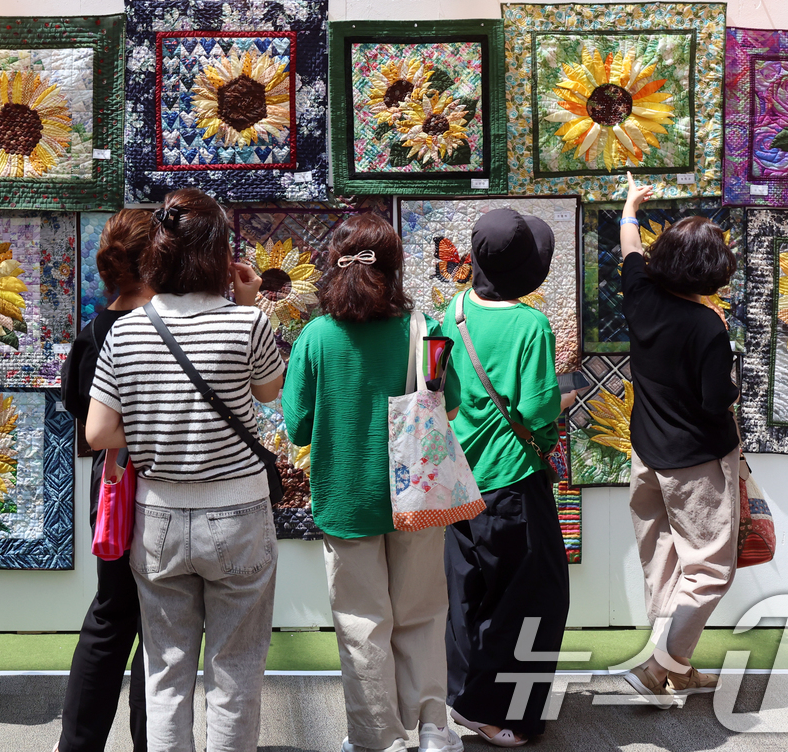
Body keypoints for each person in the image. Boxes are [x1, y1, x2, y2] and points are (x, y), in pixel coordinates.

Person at [85, 188, 284, 752]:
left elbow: (98, 433)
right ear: (220, 255)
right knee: (234, 671)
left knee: (165, 672)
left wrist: (155, 424)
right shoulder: (248, 326)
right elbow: (270, 392)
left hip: (161, 517)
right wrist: (248, 305)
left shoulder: (124, 331)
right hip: (239, 512)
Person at [280, 214, 464, 752]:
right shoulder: (425, 327)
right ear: (395, 268)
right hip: (418, 494)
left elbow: (297, 424)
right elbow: (447, 405)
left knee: (362, 622)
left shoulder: (315, 336)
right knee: (423, 611)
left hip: (346, 496)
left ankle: (379, 738)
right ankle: (433, 728)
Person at [440, 209, 576, 747]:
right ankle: (497, 713)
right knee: (534, 600)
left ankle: (464, 696)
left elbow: (442, 396)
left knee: (468, 592)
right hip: (513, 479)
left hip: (459, 477)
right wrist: (565, 397)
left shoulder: (449, 314)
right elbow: (539, 409)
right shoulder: (531, 325)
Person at [617, 172, 740, 704]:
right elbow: (718, 401)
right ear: (713, 274)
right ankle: (660, 665)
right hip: (694, 464)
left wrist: (631, 205)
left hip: (647, 455)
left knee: (663, 562)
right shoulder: (709, 327)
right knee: (710, 568)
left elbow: (629, 249)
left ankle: (677, 668)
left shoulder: (641, 294)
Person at [57, 209, 155, 752]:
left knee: (111, 613)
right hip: (163, 480)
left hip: (113, 486)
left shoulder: (95, 330)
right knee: (160, 623)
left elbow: (78, 410)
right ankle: (152, 740)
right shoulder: (164, 324)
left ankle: (77, 741)